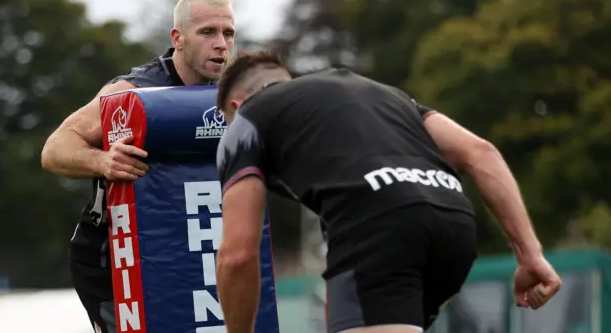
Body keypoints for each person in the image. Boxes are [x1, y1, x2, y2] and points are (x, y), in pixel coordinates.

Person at [213, 51, 562, 333]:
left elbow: (238, 255)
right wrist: (530, 256)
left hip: (377, 229)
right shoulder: (384, 94)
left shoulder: (247, 119)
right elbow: (480, 152)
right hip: (453, 224)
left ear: (236, 106)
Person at [40, 0, 236, 333]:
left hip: (192, 251)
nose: (221, 43)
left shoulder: (236, 92)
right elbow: (54, 149)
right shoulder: (133, 91)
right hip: (113, 257)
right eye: (207, 32)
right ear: (178, 38)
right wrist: (103, 161)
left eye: (228, 33)